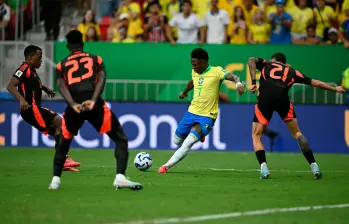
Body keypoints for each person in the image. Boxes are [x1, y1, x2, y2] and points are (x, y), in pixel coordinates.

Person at [49, 30, 142, 190]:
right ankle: (120, 177)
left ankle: (55, 181)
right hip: (94, 102)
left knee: (64, 141)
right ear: (83, 43)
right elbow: (102, 77)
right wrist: (92, 100)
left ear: (68, 46)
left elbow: (62, 86)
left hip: (74, 104)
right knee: (120, 138)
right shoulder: (95, 59)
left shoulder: (61, 64)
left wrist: (72, 104)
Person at [248, 52, 345, 180]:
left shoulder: (267, 63)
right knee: (297, 133)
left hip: (265, 99)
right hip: (283, 100)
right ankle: (314, 165)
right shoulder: (292, 71)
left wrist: (254, 82)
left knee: (256, 135)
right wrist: (335, 89)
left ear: (274, 59)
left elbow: (251, 61)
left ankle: (264, 168)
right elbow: (316, 83)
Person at [158, 48, 245, 173]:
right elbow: (192, 81)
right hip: (191, 112)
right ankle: (200, 134)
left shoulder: (216, 71)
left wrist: (239, 84)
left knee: (188, 143)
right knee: (176, 141)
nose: (193, 67)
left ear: (204, 62)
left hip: (207, 116)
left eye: (195, 64)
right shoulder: (195, 71)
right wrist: (184, 92)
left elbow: (234, 77)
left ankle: (165, 167)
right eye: (191, 64)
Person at [6, 45, 80, 172]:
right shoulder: (24, 68)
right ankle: (62, 160)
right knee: (60, 123)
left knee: (58, 129)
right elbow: (10, 86)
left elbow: (32, 83)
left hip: (33, 109)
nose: (41, 60)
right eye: (39, 57)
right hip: (31, 108)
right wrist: (21, 100)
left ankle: (62, 160)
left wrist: (45, 88)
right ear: (30, 58)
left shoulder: (32, 71)